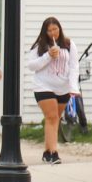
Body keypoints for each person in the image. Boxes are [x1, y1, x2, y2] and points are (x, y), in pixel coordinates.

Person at [26, 16, 78, 165]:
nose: (53, 33)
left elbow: (74, 66)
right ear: (45, 32)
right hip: (43, 86)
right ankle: (54, 153)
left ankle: (47, 151)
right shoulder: (40, 46)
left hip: (63, 87)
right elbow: (31, 66)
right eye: (49, 30)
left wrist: (73, 87)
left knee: (56, 119)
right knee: (52, 117)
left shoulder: (68, 44)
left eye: (55, 29)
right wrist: (48, 56)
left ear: (60, 29)